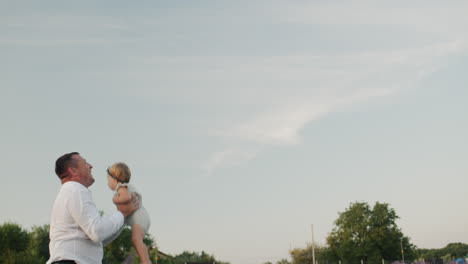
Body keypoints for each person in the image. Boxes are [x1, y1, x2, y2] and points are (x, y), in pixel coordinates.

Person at [47, 152, 139, 264]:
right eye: (85, 162)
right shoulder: (76, 189)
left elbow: (99, 238)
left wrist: (123, 216)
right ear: (73, 170)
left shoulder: (70, 192)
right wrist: (122, 214)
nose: (90, 166)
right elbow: (97, 232)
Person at [107, 162, 152, 264]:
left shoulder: (122, 187)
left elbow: (126, 197)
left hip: (139, 218)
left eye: (108, 180)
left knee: (136, 239)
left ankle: (146, 261)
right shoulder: (125, 187)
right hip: (141, 217)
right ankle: (145, 261)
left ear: (115, 179)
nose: (108, 183)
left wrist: (115, 199)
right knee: (136, 240)